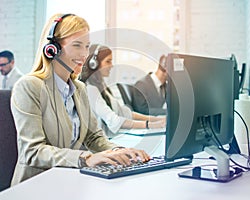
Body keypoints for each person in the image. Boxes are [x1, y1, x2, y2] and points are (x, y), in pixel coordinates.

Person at [10, 13, 150, 186]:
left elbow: (94, 137)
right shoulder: (29, 87)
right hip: (36, 185)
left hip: (69, 181)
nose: (84, 54)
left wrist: (119, 151)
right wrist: (86, 158)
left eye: (87, 46)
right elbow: (33, 151)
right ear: (52, 48)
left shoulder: (79, 89)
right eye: (77, 45)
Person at [80, 44, 166, 138]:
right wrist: (149, 125)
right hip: (104, 143)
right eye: (108, 61)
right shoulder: (90, 89)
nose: (111, 65)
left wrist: (155, 120)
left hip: (113, 139)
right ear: (94, 64)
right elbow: (114, 120)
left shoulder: (102, 86)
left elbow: (124, 112)